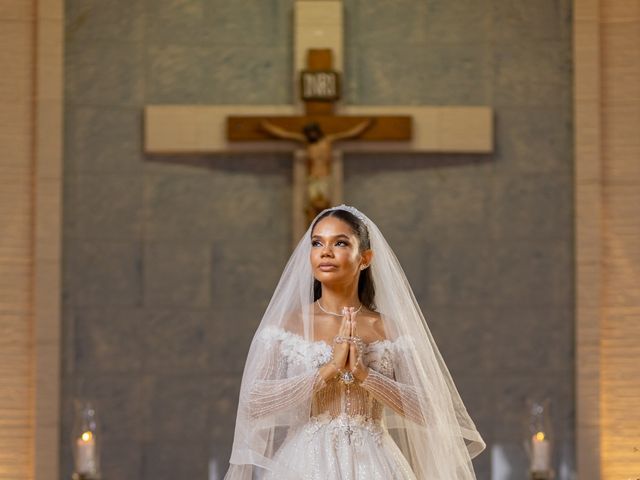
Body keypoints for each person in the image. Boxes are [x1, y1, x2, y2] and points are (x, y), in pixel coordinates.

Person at [223, 204, 486, 479]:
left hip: (376, 465)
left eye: (340, 242)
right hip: (302, 465)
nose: (325, 251)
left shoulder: (387, 328)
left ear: (365, 258)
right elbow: (254, 402)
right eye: (317, 243)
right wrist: (329, 370)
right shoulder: (287, 324)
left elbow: (431, 410)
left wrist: (365, 374)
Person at [260, 120, 373, 224]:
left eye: (313, 132)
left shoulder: (328, 140)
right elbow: (284, 134)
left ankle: (327, 226)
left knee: (325, 206)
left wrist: (365, 125)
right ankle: (312, 231)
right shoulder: (307, 143)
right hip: (313, 179)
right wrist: (267, 127)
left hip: (325, 178)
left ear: (318, 131)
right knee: (311, 208)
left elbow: (350, 134)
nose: (311, 135)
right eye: (309, 133)